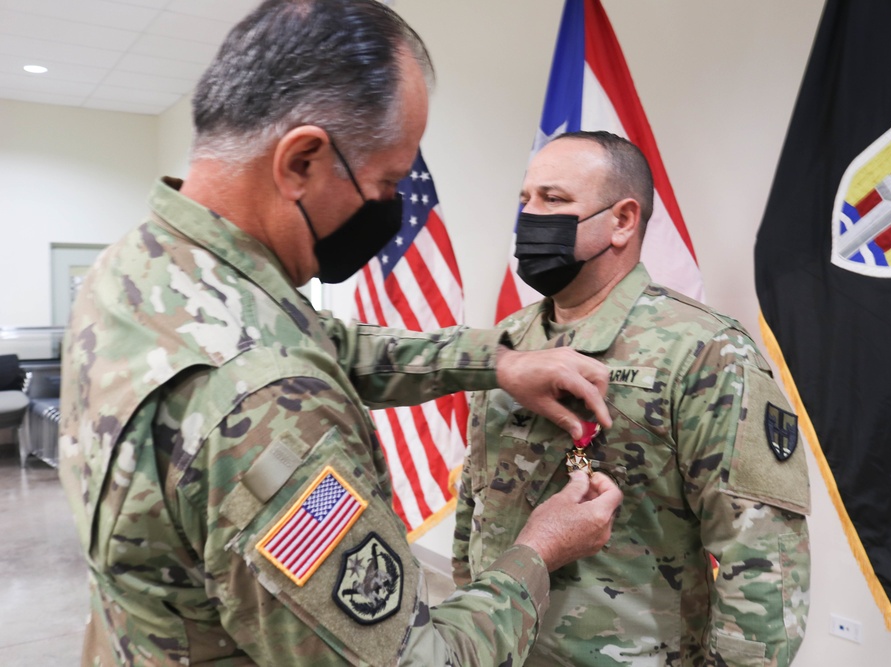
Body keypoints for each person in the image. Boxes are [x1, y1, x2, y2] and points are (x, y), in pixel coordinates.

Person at [57, 2, 623, 665]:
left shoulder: (141, 268)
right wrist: (539, 549)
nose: (388, 206)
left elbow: (331, 344)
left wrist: (495, 363)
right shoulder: (265, 412)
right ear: (300, 160)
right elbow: (416, 659)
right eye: (386, 182)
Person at [453, 130, 811, 667]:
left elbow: (760, 556)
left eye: (554, 200)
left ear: (622, 220)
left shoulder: (707, 352)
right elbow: (474, 502)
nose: (529, 218)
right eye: (525, 200)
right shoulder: (507, 343)